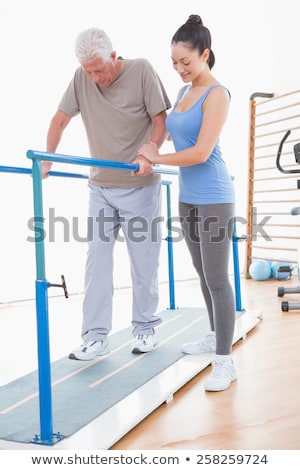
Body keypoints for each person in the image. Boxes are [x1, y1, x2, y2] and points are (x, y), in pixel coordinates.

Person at [42, 27, 171, 359]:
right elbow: (59, 120)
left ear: (114, 57)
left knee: (143, 263)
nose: (94, 77)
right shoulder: (81, 77)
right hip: (100, 188)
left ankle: (145, 329)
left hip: (139, 187)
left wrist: (148, 153)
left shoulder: (141, 70)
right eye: (88, 71)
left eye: (99, 69)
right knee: (96, 262)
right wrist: (48, 159)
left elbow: (160, 121)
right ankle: (95, 336)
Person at [137, 15, 236, 391]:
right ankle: (215, 336)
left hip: (213, 196)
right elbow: (170, 138)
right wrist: (151, 151)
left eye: (186, 63)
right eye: (174, 63)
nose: (179, 70)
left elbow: (199, 152)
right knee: (201, 274)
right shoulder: (182, 93)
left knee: (218, 279)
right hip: (188, 198)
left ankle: (225, 362)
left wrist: (155, 159)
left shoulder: (218, 94)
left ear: (205, 54)